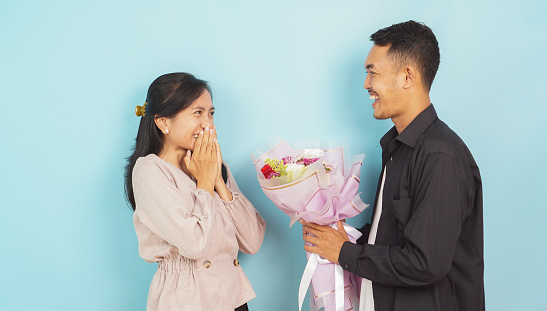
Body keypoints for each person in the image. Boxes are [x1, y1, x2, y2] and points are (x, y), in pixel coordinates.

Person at [301, 21, 484, 311]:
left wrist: (344, 252)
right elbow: (392, 234)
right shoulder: (399, 148)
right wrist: (337, 235)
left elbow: (425, 263)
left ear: (407, 77)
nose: (366, 84)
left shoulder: (440, 155)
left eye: (372, 72)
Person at [124, 72, 266, 311]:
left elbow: (252, 241)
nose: (208, 124)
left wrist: (218, 181)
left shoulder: (213, 166)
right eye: (197, 113)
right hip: (187, 300)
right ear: (163, 122)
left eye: (211, 113)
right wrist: (204, 183)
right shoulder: (149, 170)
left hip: (233, 299)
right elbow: (195, 245)